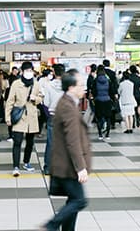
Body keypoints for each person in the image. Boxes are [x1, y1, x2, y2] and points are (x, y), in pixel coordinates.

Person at [42, 69, 91, 231]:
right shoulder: (68, 106)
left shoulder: (68, 102)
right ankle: (51, 225)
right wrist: (80, 167)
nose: (84, 88)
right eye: (81, 85)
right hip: (68, 165)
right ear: (71, 87)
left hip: (65, 163)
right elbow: (72, 140)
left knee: (74, 200)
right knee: (79, 200)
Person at [5, 61, 43, 177]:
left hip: (32, 116)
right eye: (27, 70)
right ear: (22, 71)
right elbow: (10, 101)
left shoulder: (36, 84)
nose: (29, 72)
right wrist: (7, 117)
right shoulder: (16, 84)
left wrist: (35, 99)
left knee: (30, 142)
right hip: (19, 116)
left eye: (30, 70)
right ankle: (16, 166)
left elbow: (41, 98)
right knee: (17, 142)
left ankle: (26, 162)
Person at [41, 64, 65, 175]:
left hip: (52, 115)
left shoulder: (48, 85)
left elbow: (46, 102)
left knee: (51, 142)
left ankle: (48, 167)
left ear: (54, 72)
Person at [90, 66, 114, 140]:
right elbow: (111, 91)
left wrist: (94, 97)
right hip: (107, 101)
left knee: (99, 118)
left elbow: (93, 91)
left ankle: (100, 134)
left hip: (98, 101)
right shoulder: (108, 80)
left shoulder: (95, 81)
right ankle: (107, 134)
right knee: (108, 118)